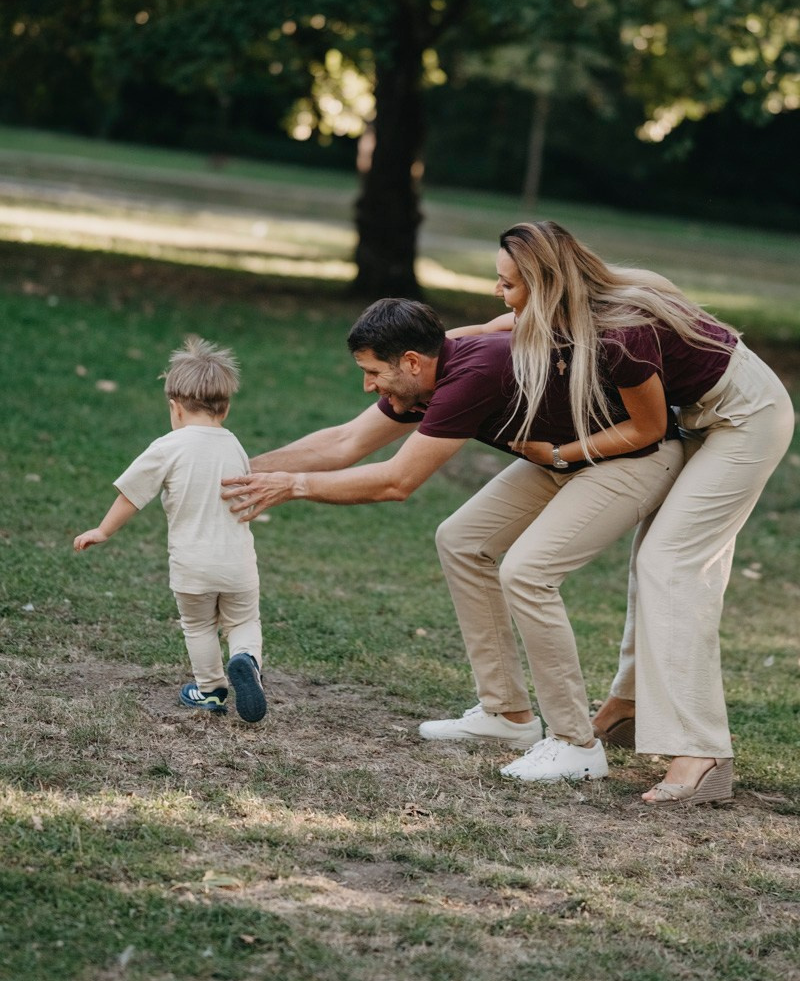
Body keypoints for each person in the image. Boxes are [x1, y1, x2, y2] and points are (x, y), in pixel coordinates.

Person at [221, 298, 683, 782]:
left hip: (635, 459)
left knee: (527, 573)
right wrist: (233, 471)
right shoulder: (424, 379)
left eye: (373, 372)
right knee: (463, 541)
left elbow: (397, 481)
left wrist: (292, 485)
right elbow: (344, 442)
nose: (368, 386)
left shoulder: (473, 374)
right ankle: (507, 715)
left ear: (411, 362)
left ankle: (575, 743)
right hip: (563, 457)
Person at [462, 221, 794, 804]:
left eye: (508, 283)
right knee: (652, 561)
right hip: (700, 418)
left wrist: (560, 454)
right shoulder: (577, 306)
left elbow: (647, 428)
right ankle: (628, 706)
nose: (499, 292)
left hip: (746, 421)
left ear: (547, 284)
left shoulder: (618, 332)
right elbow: (500, 327)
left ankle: (702, 750)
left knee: (671, 563)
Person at [73, 336, 267, 724]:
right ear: (225, 408)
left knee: (198, 625)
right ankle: (246, 659)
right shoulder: (235, 446)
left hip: (192, 565)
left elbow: (132, 493)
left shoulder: (169, 446)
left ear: (174, 407)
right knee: (244, 622)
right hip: (238, 563)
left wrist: (103, 530)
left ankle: (211, 689)